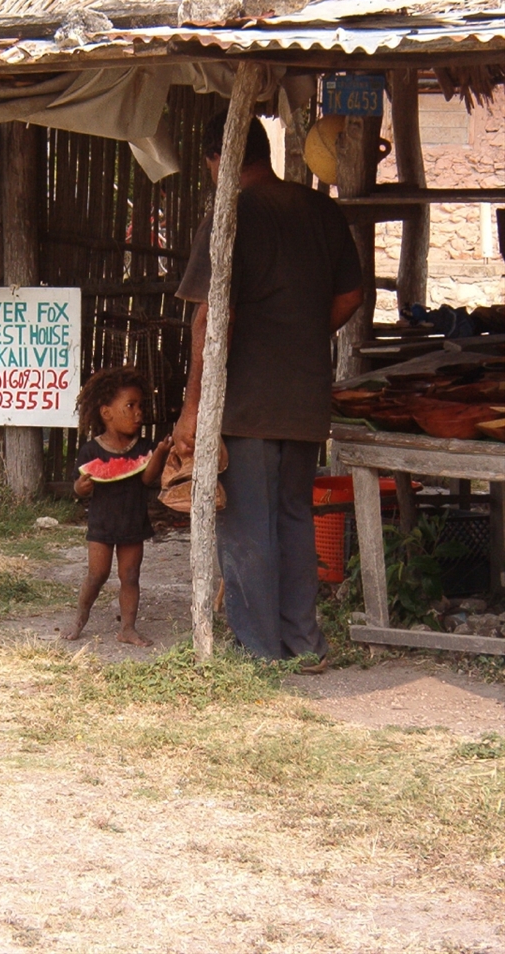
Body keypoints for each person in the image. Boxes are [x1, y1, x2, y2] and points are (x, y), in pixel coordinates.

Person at [173, 110, 363, 670]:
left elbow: (211, 320)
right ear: (268, 152)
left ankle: (258, 654)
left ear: (219, 158)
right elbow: (350, 298)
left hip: (246, 401)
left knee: (248, 523)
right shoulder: (319, 209)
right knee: (294, 518)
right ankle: (304, 645)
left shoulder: (229, 213)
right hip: (303, 396)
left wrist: (192, 407)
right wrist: (301, 336)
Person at [64, 366, 172, 647]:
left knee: (130, 576)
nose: (139, 412)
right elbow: (79, 484)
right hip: (101, 525)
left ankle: (127, 628)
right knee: (97, 574)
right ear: (106, 412)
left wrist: (159, 453)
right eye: (130, 405)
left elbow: (148, 478)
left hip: (134, 524)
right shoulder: (91, 450)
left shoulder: (144, 446)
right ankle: (79, 618)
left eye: (141, 406)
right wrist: (80, 488)